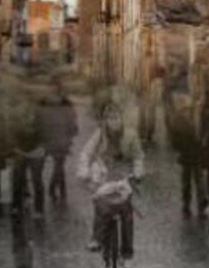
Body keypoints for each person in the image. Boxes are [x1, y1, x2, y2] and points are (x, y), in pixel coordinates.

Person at [78, 87, 145, 260]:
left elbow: (138, 157)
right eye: (109, 118)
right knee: (100, 206)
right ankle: (97, 239)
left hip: (124, 177)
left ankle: (127, 249)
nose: (113, 122)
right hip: (104, 175)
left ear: (122, 119)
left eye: (116, 118)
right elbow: (86, 153)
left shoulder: (131, 135)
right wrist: (84, 171)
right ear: (105, 120)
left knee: (127, 214)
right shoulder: (99, 135)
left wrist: (138, 173)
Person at [169, 90, 208, 218]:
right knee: (192, 181)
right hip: (189, 153)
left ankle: (196, 206)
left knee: (195, 181)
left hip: (193, 154)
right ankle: (190, 206)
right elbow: (179, 139)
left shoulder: (183, 118)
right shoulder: (179, 119)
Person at [38, 86, 78, 203]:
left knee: (59, 166)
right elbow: (73, 127)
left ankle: (60, 190)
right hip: (61, 140)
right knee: (59, 165)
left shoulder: (43, 104)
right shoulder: (67, 105)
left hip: (49, 139)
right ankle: (54, 189)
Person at [12, 101, 45, 217]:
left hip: (36, 152)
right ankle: (17, 206)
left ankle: (39, 209)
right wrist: (15, 148)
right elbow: (12, 133)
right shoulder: (18, 119)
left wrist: (42, 147)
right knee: (17, 179)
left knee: (36, 180)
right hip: (21, 151)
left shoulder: (40, 120)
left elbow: (46, 136)